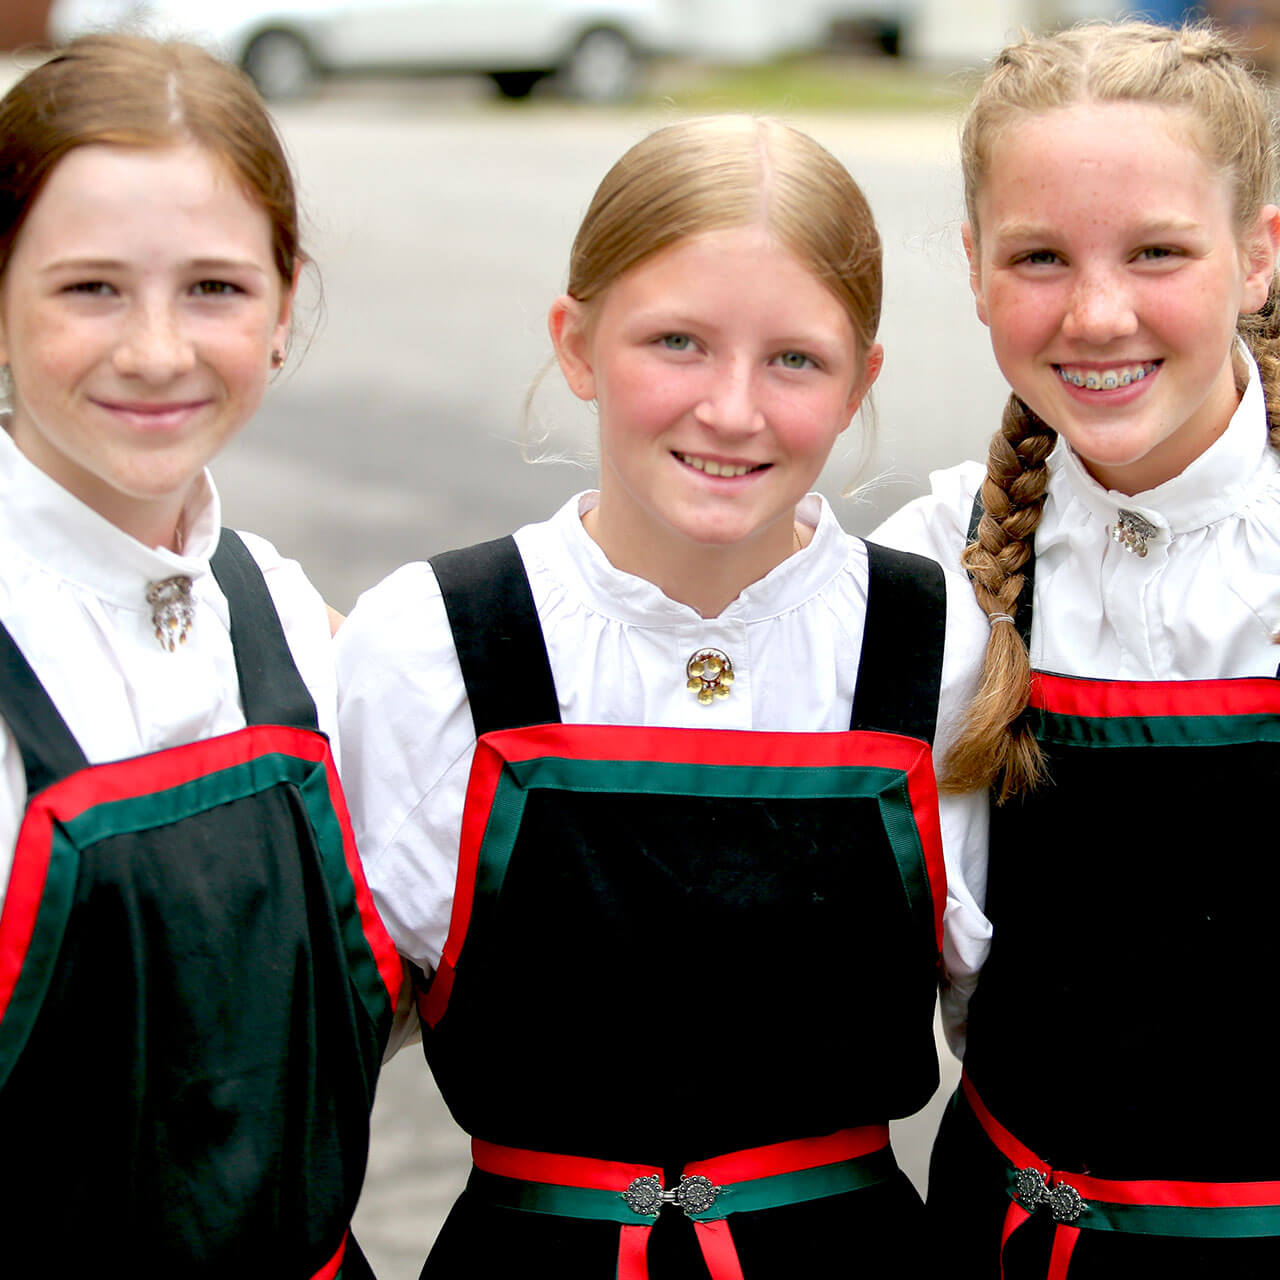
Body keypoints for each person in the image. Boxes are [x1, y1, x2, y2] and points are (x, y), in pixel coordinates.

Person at [337, 114, 989, 1278]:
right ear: (575, 345)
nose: (731, 408)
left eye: (795, 358)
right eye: (675, 341)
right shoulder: (434, 643)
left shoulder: (933, 646)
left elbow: (1021, 1036)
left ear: (859, 383)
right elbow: (298, 1051)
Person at [872, 20, 1280, 1280]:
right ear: (975, 269)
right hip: (1006, 1239)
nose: (1097, 313)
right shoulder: (929, 564)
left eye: (1156, 251)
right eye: (1038, 256)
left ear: (1258, 257)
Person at [0, 35, 401, 1276]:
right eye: (91, 289)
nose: (159, 350)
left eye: (216, 288)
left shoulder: (290, 619)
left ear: (285, 307)